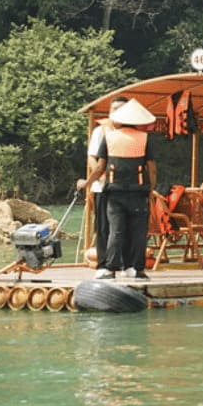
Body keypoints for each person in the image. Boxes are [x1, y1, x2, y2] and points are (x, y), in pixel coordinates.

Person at [80, 98, 157, 279]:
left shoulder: (110, 137)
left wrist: (87, 182)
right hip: (137, 192)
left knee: (116, 230)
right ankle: (134, 268)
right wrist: (151, 189)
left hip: (114, 191)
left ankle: (111, 268)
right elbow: (152, 168)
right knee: (135, 231)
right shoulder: (143, 138)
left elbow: (99, 166)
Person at [80, 95, 127, 275]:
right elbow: (92, 157)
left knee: (122, 227)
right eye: (114, 109)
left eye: (121, 109)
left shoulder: (132, 133)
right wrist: (99, 177)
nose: (117, 113)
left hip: (124, 187)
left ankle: (121, 264)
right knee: (103, 227)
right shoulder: (101, 131)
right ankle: (103, 265)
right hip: (103, 187)